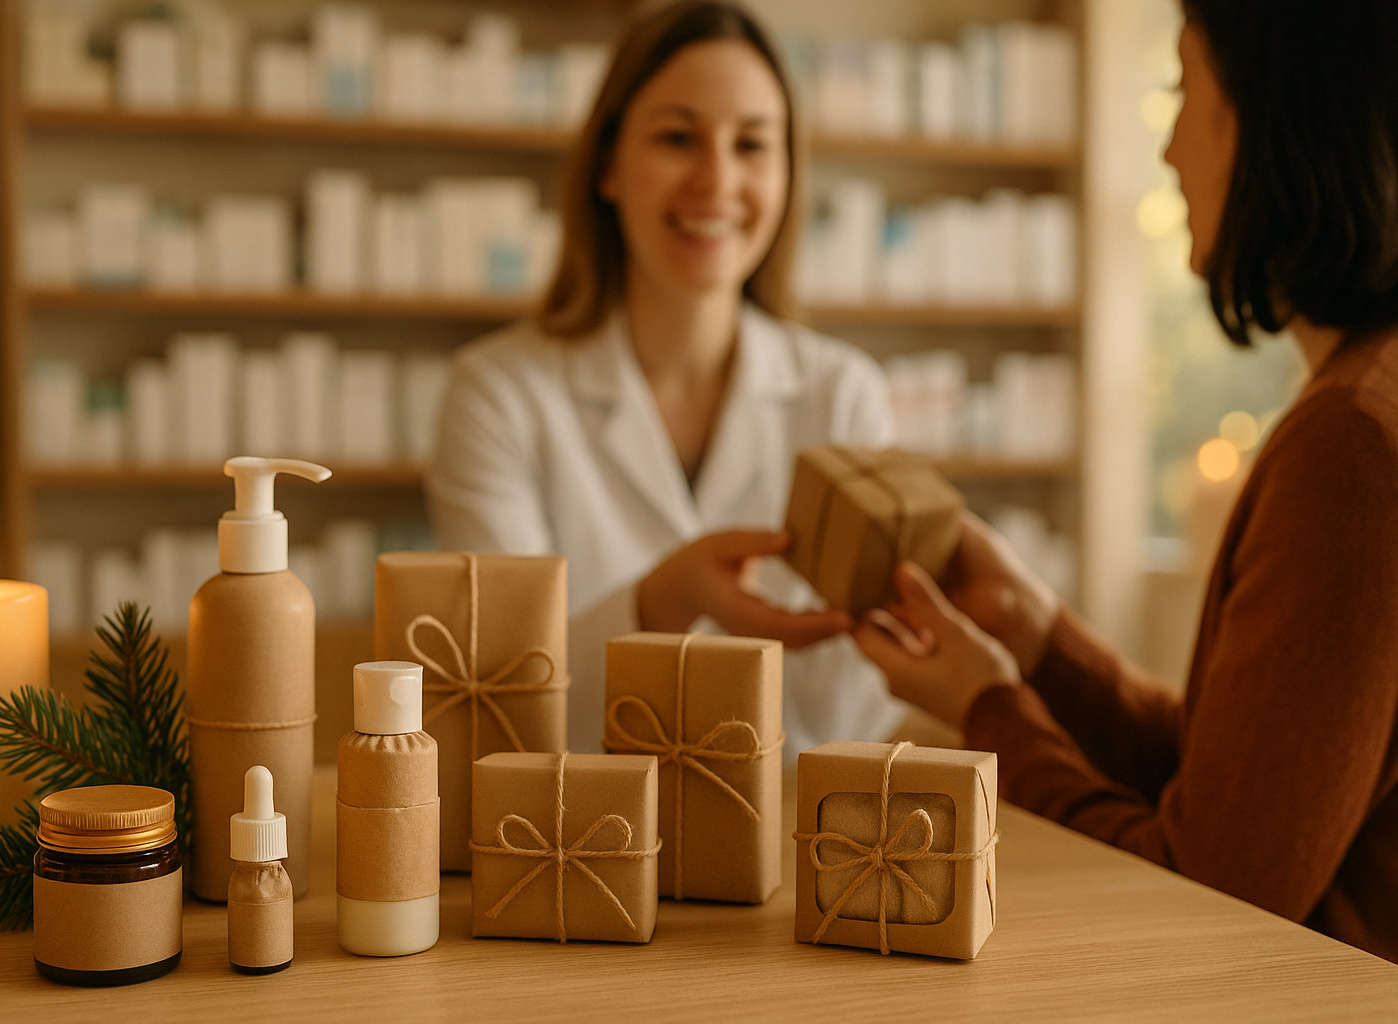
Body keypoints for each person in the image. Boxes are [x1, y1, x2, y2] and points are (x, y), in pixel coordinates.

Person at [852, 0, 1398, 963]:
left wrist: (988, 708)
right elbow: (1244, 790)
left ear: (1276, 121)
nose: (1168, 150)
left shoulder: (1349, 447)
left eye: (1185, 93)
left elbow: (1212, 895)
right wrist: (1039, 641)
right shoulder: (1366, 397)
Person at [427, 1, 905, 755]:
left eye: (752, 144)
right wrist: (661, 602)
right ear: (608, 165)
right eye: (678, 138)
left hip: (792, 819)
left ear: (787, 174)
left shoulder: (844, 397)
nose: (717, 180)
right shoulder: (497, 394)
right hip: (570, 822)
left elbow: (856, 712)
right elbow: (501, 704)